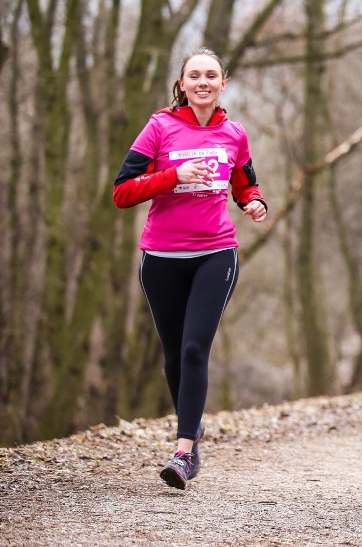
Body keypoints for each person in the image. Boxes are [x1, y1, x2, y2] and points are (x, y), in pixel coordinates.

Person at [113, 48, 267, 490]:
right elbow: (122, 192)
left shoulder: (234, 134)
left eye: (211, 75)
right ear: (182, 84)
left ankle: (183, 452)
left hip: (216, 253)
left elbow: (244, 181)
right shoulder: (159, 127)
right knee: (175, 353)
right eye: (194, 75)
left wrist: (253, 202)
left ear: (223, 83)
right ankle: (191, 426)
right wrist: (174, 175)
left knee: (197, 348)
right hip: (161, 257)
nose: (203, 82)